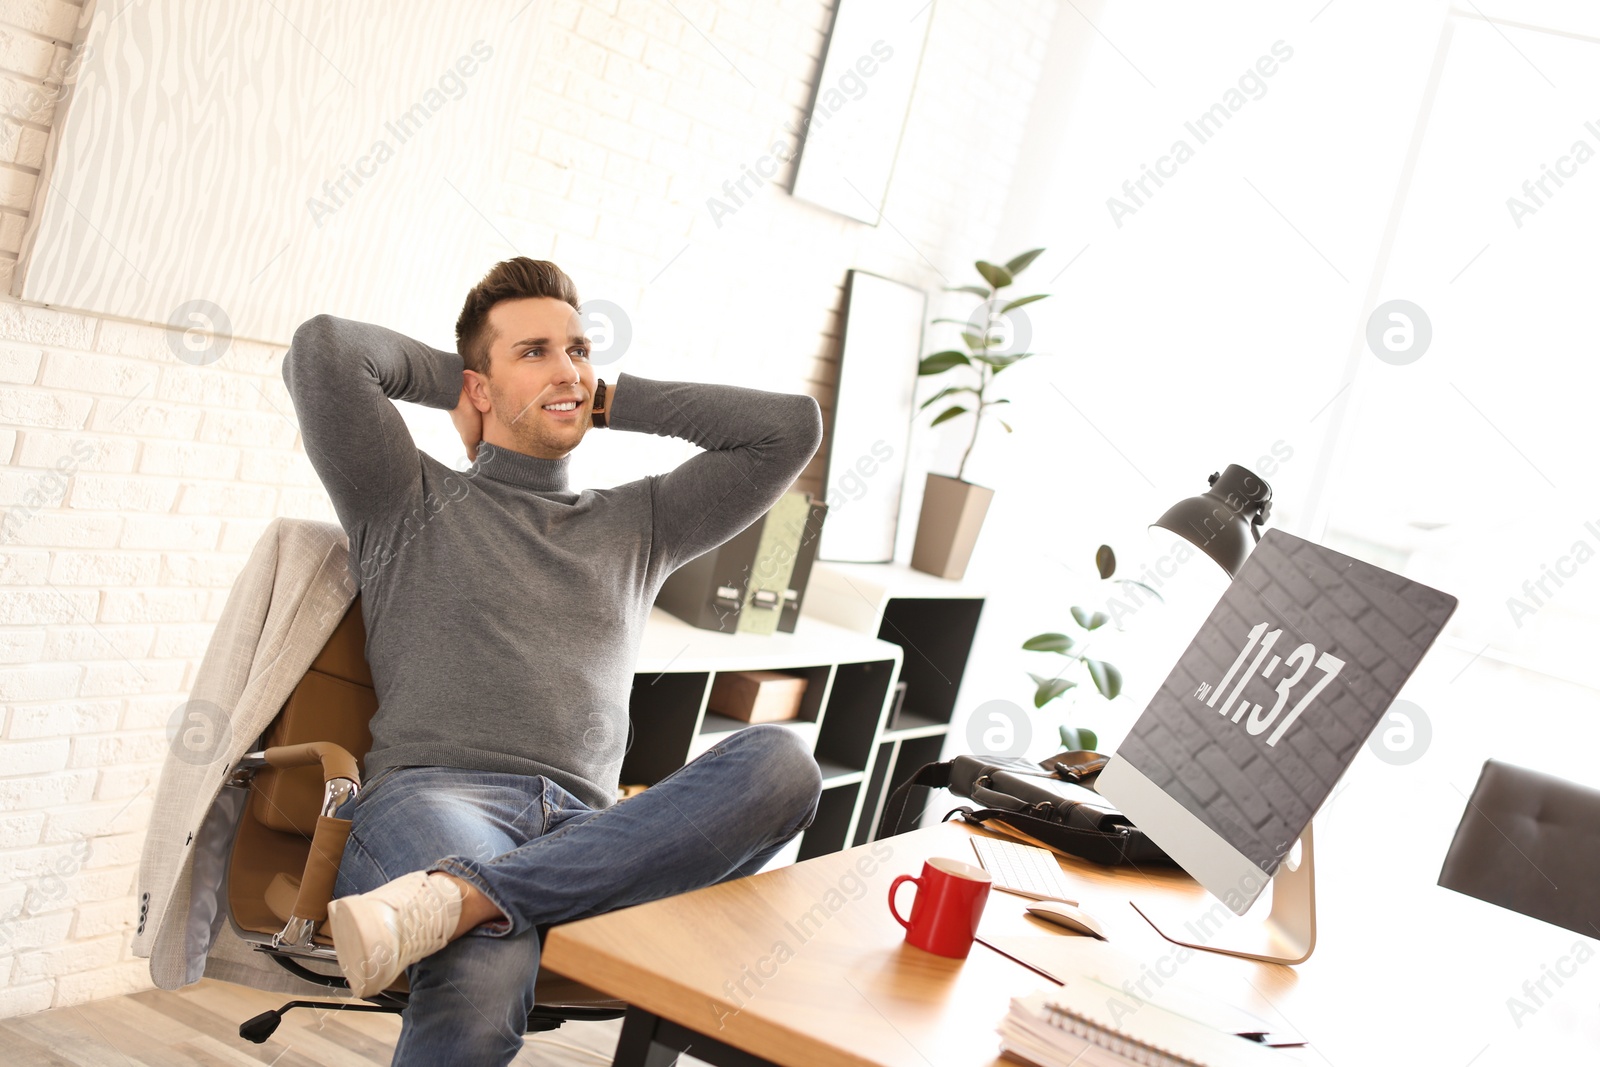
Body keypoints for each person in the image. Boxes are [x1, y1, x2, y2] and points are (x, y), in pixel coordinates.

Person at [280, 257, 826, 1066]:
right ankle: (474, 903)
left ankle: (458, 900)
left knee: (784, 765)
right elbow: (324, 351)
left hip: (588, 825)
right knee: (486, 957)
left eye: (579, 349)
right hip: (435, 797)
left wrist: (599, 397)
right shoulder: (406, 498)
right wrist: (471, 384)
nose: (567, 367)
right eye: (532, 351)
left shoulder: (643, 520)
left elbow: (790, 428)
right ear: (478, 386)